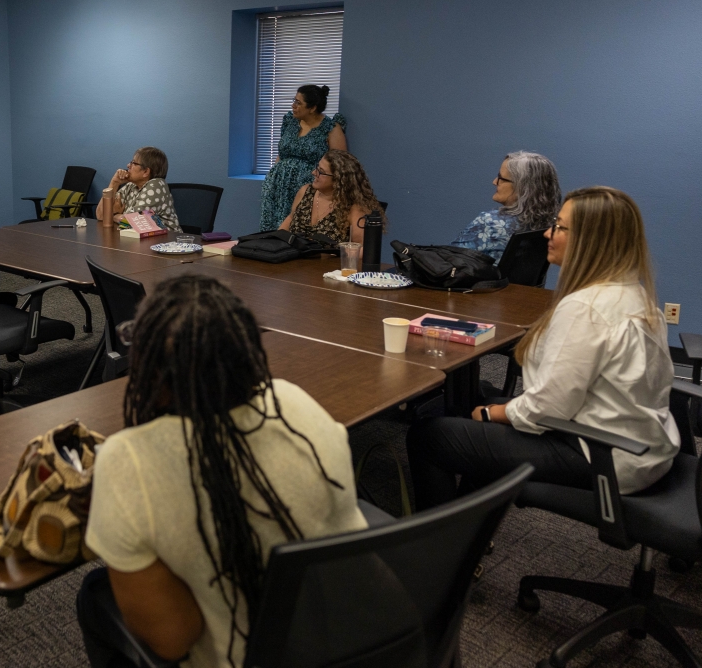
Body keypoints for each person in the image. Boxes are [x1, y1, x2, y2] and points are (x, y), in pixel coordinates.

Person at [78, 275, 365, 668]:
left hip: (241, 657)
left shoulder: (129, 461)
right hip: (362, 641)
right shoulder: (295, 403)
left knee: (94, 594)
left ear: (151, 375)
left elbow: (173, 640)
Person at [407, 187, 679, 510]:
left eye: (560, 228)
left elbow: (547, 408)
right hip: (641, 447)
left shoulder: (584, 307)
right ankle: (469, 527)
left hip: (601, 455)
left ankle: (441, 552)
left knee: (429, 436)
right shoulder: (634, 294)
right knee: (479, 397)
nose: (548, 233)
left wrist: (491, 414)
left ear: (590, 241)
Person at [258, 84, 347, 231]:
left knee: (297, 229)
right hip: (277, 187)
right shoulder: (290, 122)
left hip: (307, 188)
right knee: (271, 230)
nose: (293, 106)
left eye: (298, 103)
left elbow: (340, 165)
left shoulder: (330, 128)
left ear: (312, 108)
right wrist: (273, 175)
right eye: (294, 100)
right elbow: (282, 153)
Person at [452, 151, 561, 262]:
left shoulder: (490, 223)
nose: (494, 182)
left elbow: (449, 263)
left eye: (501, 178)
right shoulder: (551, 226)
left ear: (522, 187)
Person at [278, 149, 384, 244]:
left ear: (338, 180)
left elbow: (361, 249)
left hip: (329, 264)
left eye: (321, 172)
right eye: (317, 168)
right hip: (292, 260)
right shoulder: (305, 191)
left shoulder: (353, 207)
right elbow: (290, 219)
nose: (314, 173)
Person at [107, 146, 182, 232]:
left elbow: (130, 223)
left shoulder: (156, 185)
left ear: (146, 172)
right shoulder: (131, 185)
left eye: (134, 163)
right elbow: (101, 215)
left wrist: (114, 215)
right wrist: (114, 183)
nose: (128, 165)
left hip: (169, 241)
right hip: (142, 240)